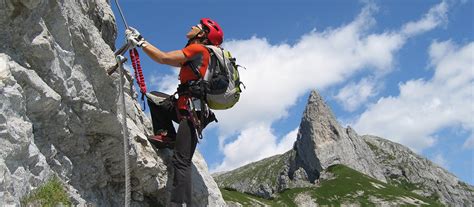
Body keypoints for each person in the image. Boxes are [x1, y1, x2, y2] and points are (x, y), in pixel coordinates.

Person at [125, 18, 222, 206]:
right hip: (185, 107)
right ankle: (167, 135)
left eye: (197, 26)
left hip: (192, 112)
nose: (192, 26)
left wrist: (141, 41)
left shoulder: (198, 50)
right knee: (155, 97)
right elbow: (166, 58)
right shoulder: (199, 57)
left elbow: (163, 58)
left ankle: (180, 204)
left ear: (202, 34)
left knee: (181, 160)